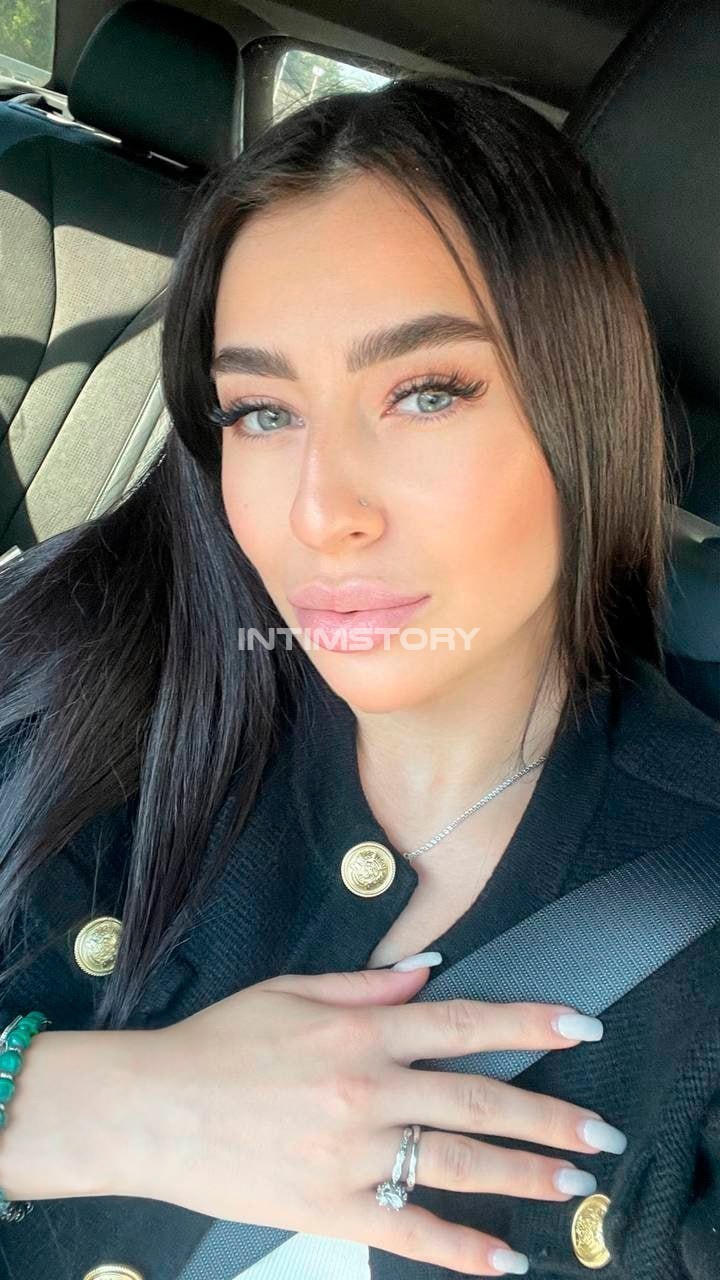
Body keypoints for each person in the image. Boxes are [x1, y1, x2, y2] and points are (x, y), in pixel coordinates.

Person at [0, 73, 717, 1280]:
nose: (321, 510)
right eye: (261, 412)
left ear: (584, 404)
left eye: (425, 393)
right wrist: (90, 1102)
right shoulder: (81, 686)